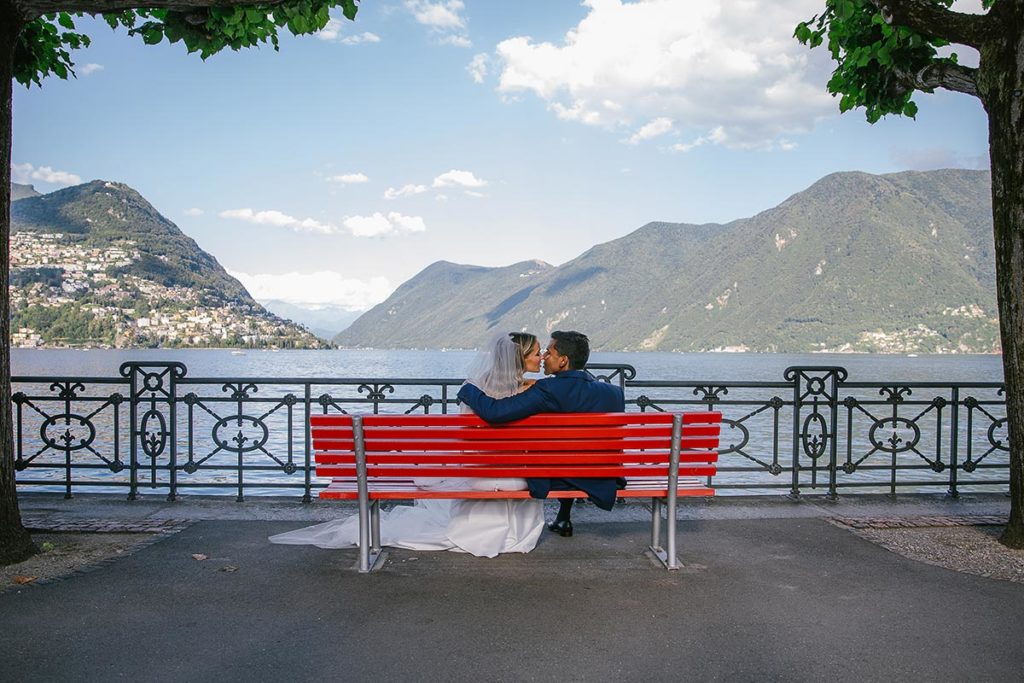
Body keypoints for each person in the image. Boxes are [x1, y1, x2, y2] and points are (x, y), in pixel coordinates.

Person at [268, 332, 546, 557]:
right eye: (536, 352)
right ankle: (515, 533)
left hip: (478, 478)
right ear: (519, 358)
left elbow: (465, 442)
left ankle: (471, 528)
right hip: (515, 480)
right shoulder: (534, 392)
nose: (541, 356)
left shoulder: (477, 390)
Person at [457, 330, 626, 538]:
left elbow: (495, 412)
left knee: (556, 455)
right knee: (567, 446)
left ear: (563, 361)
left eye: (549, 353)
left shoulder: (548, 389)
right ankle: (564, 516)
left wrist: (468, 389)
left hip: (562, 476)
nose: (544, 357)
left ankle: (561, 516)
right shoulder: (613, 393)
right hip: (603, 476)